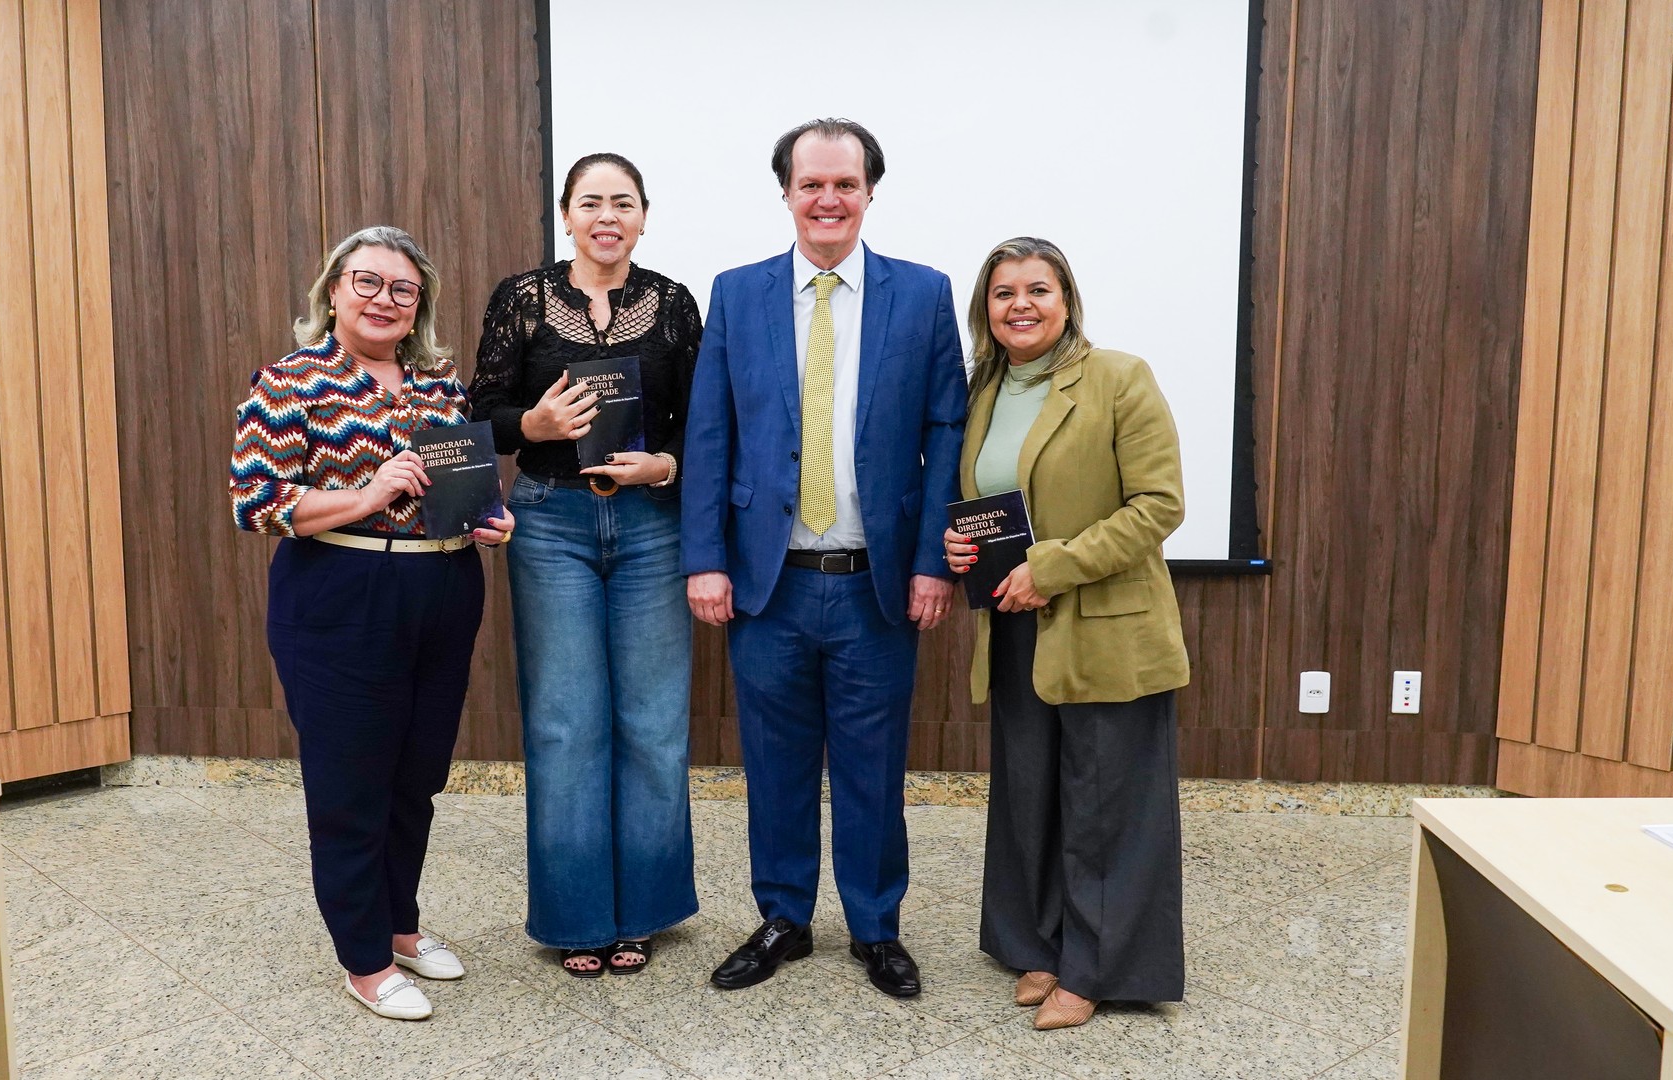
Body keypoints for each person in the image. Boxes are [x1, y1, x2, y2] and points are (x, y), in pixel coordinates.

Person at [681, 118, 968, 999]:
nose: (828, 200)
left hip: (874, 583)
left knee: (874, 766)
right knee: (772, 760)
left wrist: (933, 562)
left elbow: (945, 430)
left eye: (845, 184)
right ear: (786, 193)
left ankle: (876, 927)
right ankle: (783, 917)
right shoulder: (738, 293)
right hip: (769, 582)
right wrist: (706, 557)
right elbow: (710, 432)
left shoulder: (922, 294)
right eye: (812, 184)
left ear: (871, 191)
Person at [230, 225, 513, 1021]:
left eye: (402, 289)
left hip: (446, 586)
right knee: (352, 782)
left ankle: (398, 925)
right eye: (367, 282)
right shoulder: (289, 383)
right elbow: (258, 504)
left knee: (415, 776)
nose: (384, 300)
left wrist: (491, 522)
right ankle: (360, 959)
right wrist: (366, 494)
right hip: (340, 594)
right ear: (332, 289)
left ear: (418, 304)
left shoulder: (438, 384)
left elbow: (464, 487)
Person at [944, 237, 1189, 1030]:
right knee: (1029, 794)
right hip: (1015, 627)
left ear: (1066, 300)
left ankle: (1097, 970)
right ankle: (1037, 946)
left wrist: (1053, 567)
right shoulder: (984, 389)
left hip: (1103, 628)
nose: (1020, 305)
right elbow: (987, 499)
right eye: (1003, 292)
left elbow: (1158, 505)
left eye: (1037, 290)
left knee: (1105, 803)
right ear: (986, 307)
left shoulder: (1118, 378)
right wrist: (963, 550)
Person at [469, 153, 703, 978]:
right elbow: (479, 413)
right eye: (591, 202)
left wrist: (663, 467)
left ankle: (643, 910)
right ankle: (576, 915)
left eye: (624, 202)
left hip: (651, 526)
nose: (608, 215)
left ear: (644, 216)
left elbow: (705, 424)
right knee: (566, 724)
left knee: (652, 722)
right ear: (566, 215)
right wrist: (529, 425)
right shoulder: (522, 299)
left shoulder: (673, 304)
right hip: (551, 523)